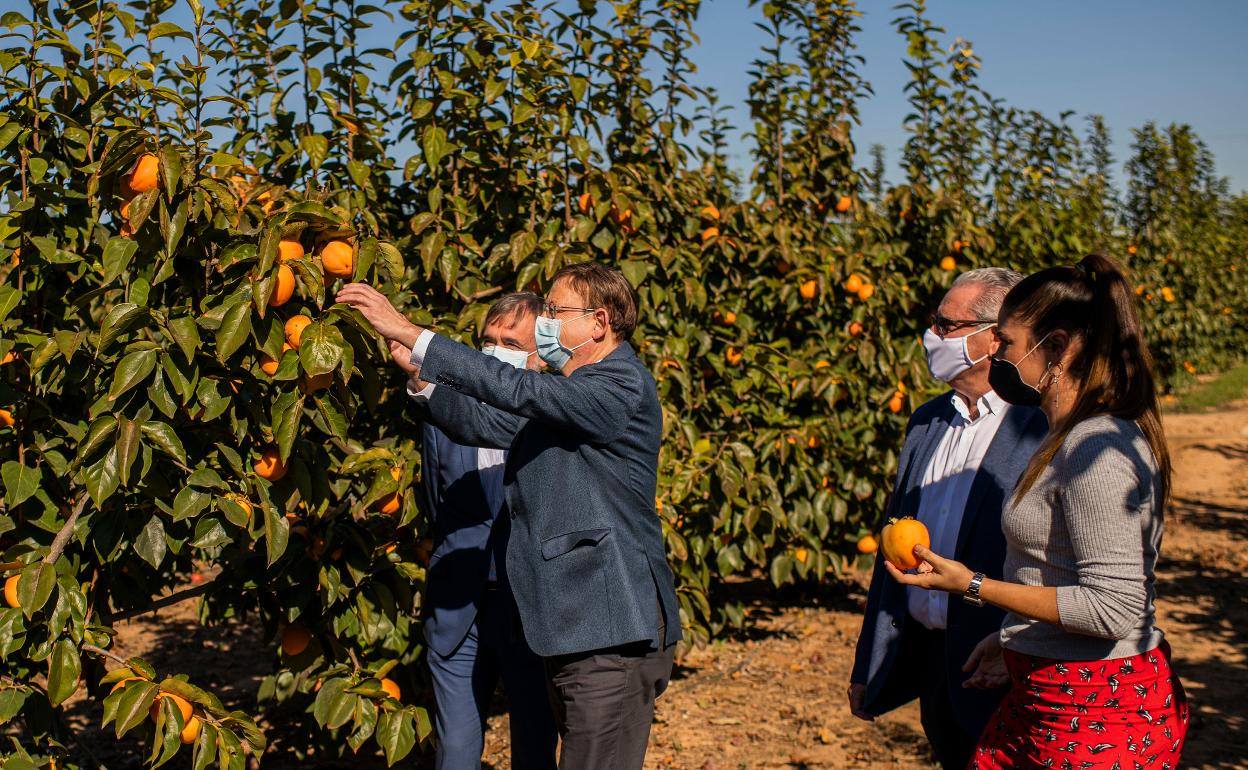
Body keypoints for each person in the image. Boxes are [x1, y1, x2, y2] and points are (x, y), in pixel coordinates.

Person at [338, 262, 680, 770]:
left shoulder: (618, 385)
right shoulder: (567, 399)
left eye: (556, 312)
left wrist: (414, 332)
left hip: (612, 629)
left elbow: (522, 391)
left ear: (599, 322)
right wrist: (421, 376)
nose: (545, 323)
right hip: (577, 627)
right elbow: (485, 419)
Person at [888, 253, 1188, 770]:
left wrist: (971, 585)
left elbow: (1113, 607)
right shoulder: (1065, 437)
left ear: (1056, 350)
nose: (995, 355)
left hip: (1094, 711)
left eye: (1005, 342)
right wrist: (1013, 638)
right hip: (1053, 692)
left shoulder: (1097, 450)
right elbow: (1061, 569)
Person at [849, 268, 1048, 770]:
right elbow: (895, 539)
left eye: (947, 324)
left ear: (993, 337)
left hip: (1002, 664)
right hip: (936, 662)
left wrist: (1017, 642)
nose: (932, 336)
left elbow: (1058, 561)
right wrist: (868, 661)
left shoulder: (1041, 427)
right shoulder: (927, 421)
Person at [417, 292, 557, 770]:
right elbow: (437, 498)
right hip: (457, 598)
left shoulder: (553, 415)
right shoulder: (446, 410)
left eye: (510, 341)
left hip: (529, 605)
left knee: (535, 743)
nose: (495, 351)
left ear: (539, 352)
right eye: (487, 341)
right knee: (454, 749)